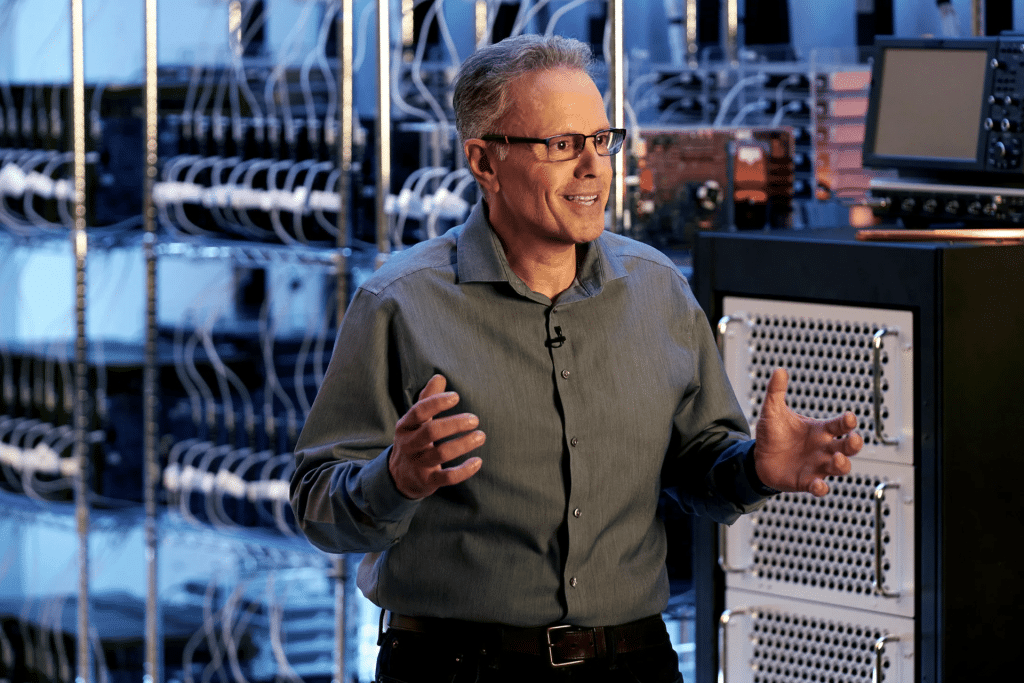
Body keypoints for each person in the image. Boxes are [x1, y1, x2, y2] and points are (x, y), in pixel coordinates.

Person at [290, 34, 862, 683]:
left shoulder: (658, 289)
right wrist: (395, 478)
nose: (593, 166)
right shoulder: (400, 302)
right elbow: (316, 505)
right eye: (562, 145)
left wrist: (754, 467)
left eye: (601, 139)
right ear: (484, 162)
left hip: (634, 662)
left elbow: (700, 466)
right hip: (456, 666)